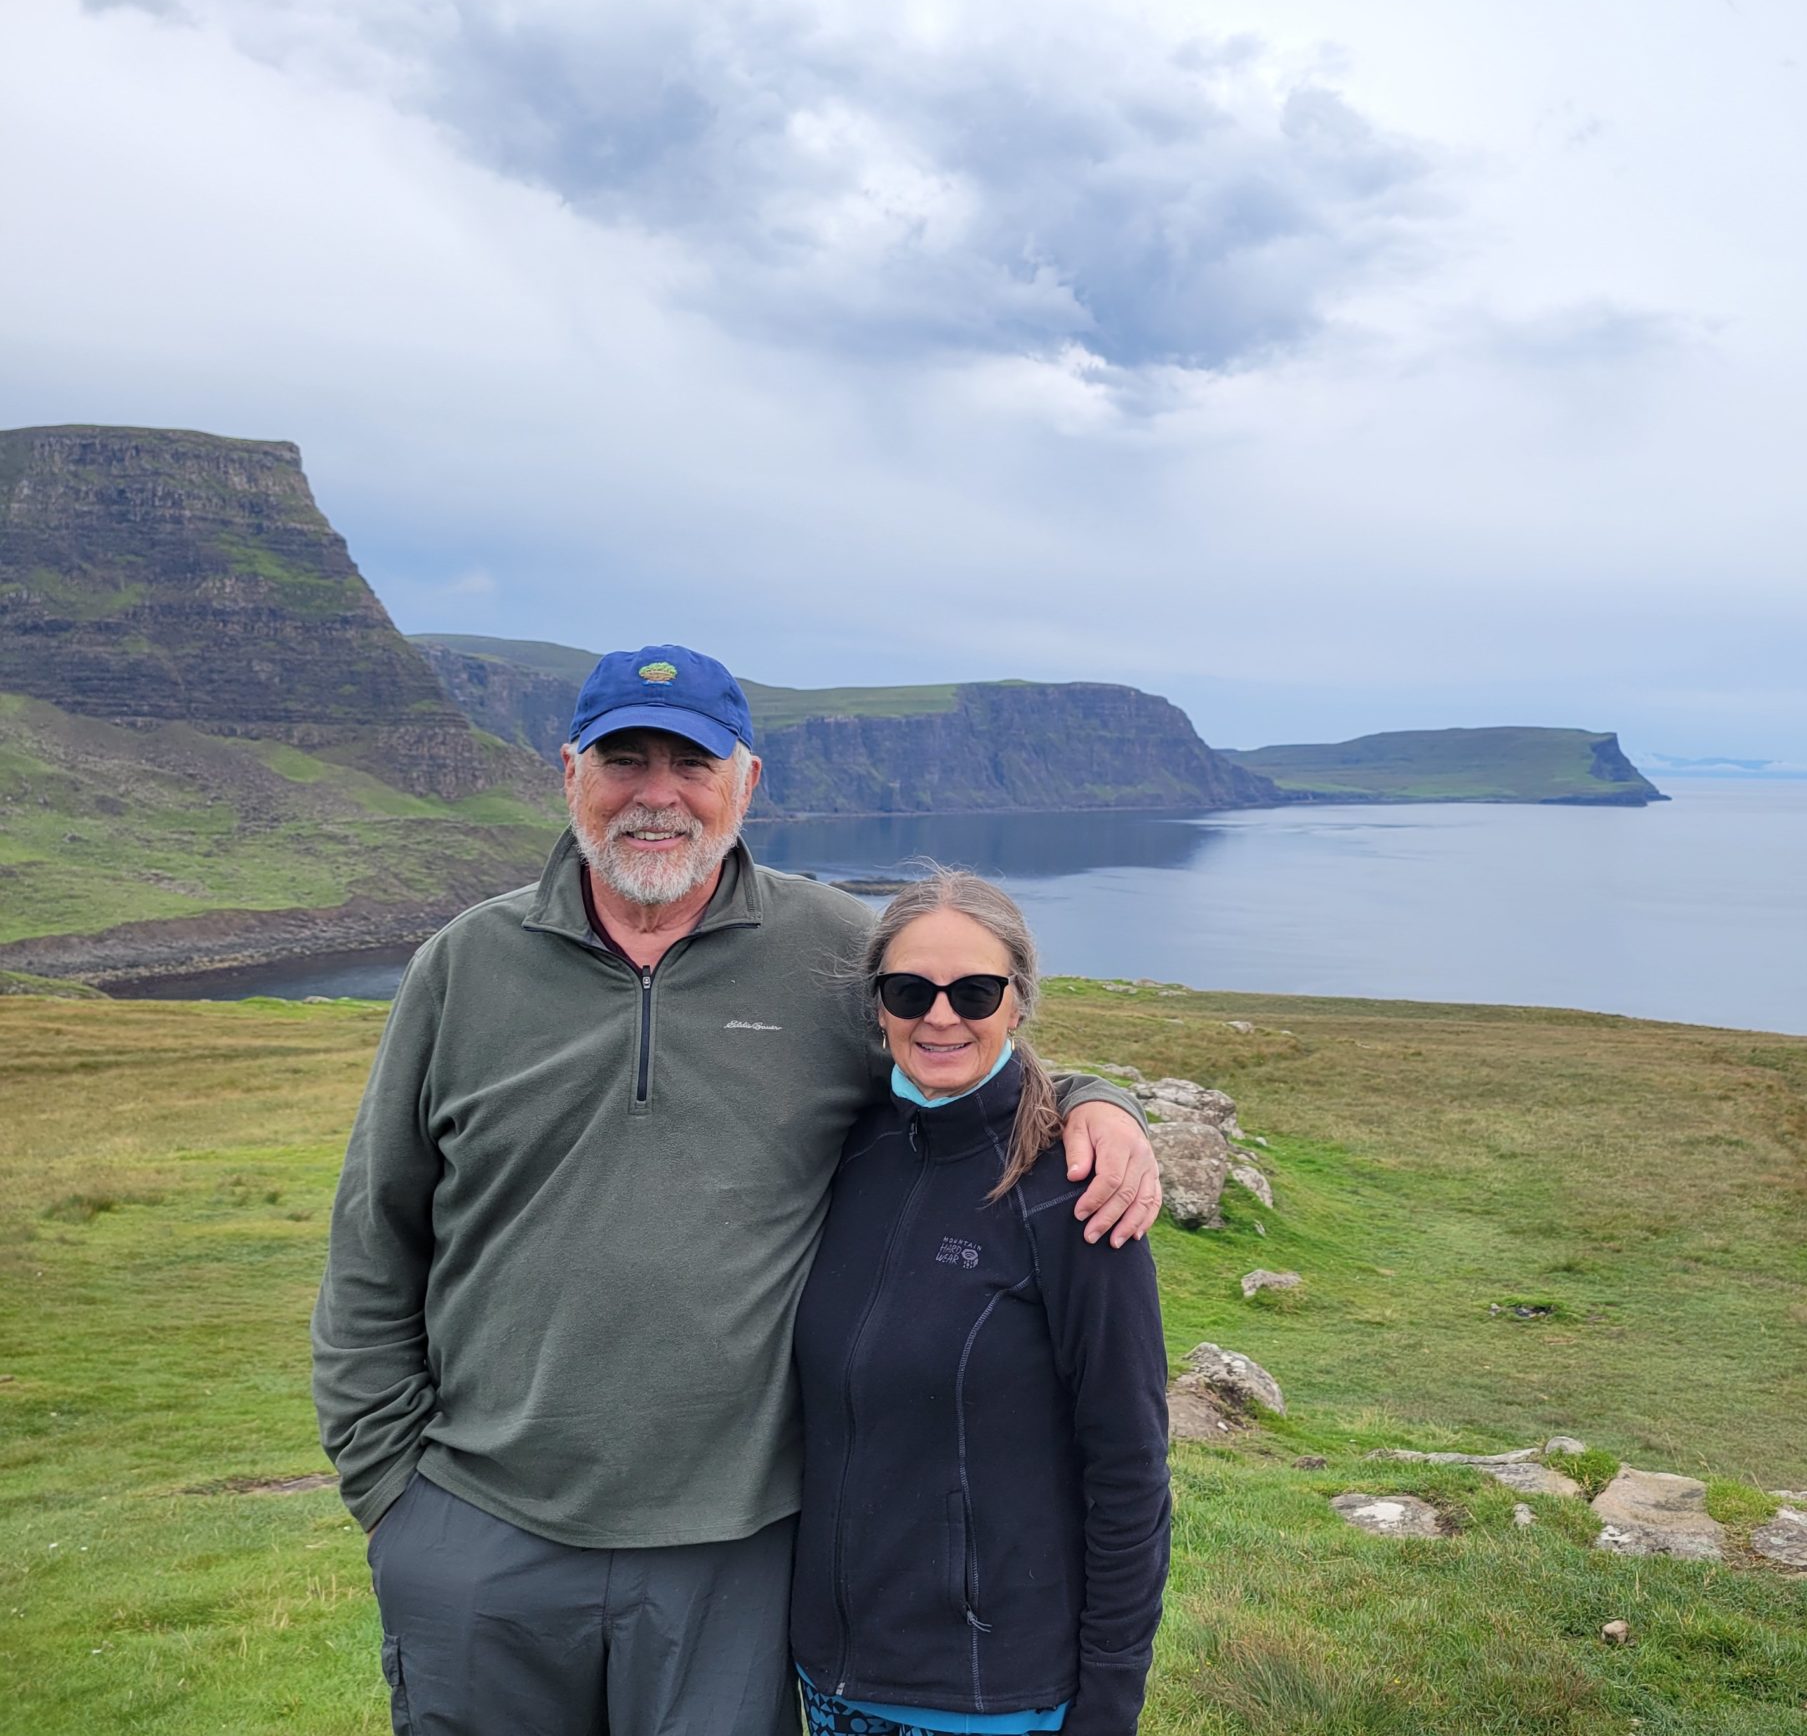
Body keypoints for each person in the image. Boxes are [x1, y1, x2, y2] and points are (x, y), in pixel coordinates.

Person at [312, 645, 1162, 1736]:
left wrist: (1098, 1102)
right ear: (569, 769)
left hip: (736, 1553)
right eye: (625, 759)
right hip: (483, 1531)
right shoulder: (463, 965)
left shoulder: (832, 949)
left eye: (691, 764)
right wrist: (395, 1500)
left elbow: (956, 1035)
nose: (656, 794)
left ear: (745, 784)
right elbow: (374, 1240)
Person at [792, 869, 1170, 1736]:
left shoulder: (1075, 1193)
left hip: (992, 1694)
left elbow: (1130, 1469)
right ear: (876, 1003)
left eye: (974, 990)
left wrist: (1109, 1703)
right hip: (833, 1675)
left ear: (1018, 1001)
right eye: (909, 990)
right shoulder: (851, 1149)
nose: (940, 1015)